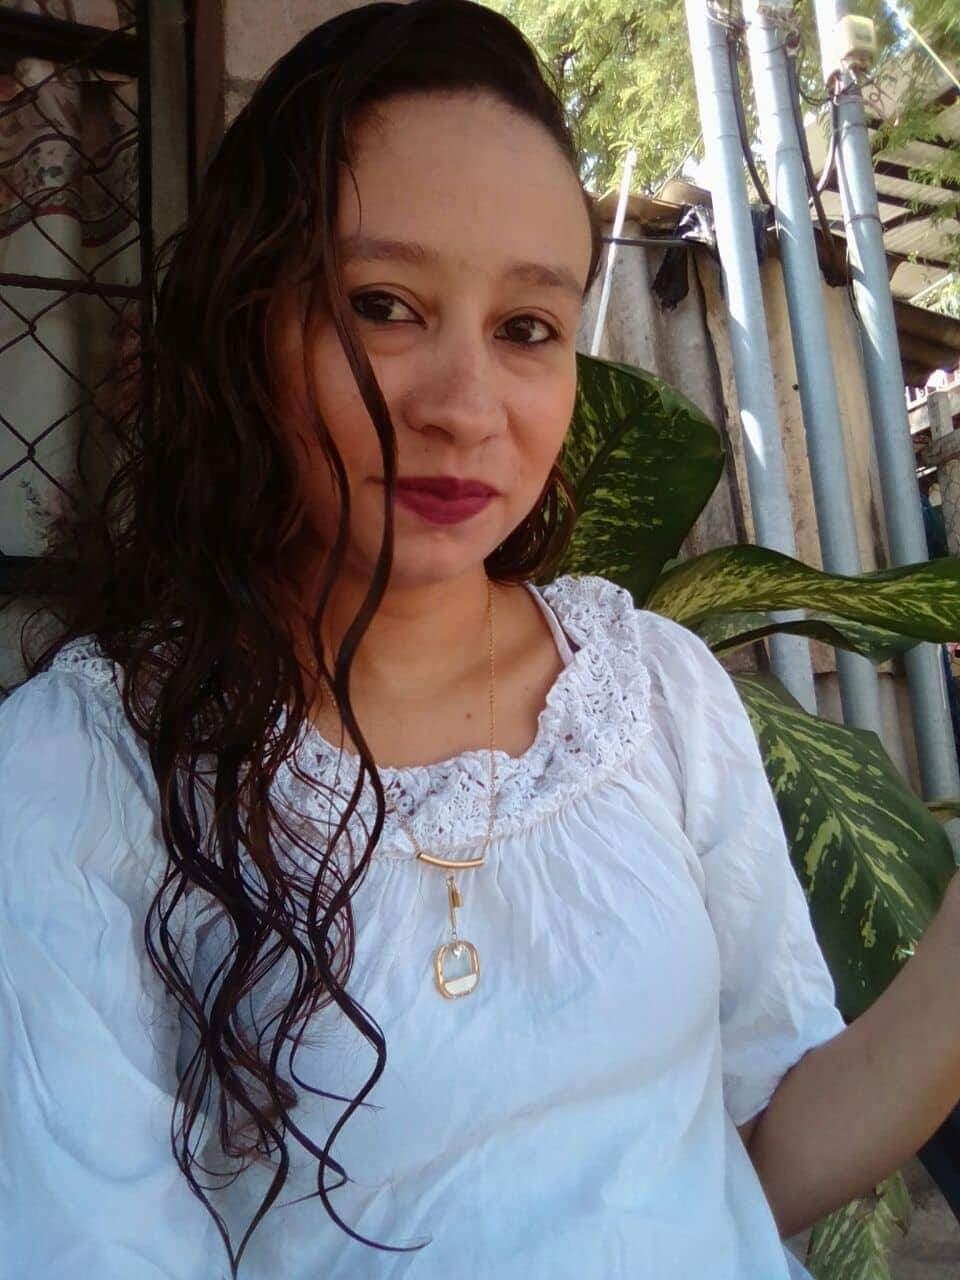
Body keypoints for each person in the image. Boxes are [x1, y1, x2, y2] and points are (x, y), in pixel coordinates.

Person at [2, 3, 959, 1278]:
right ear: (245, 325)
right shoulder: (90, 772)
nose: (466, 407)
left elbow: (750, 1152)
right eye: (384, 305)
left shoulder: (651, 694)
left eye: (526, 328)